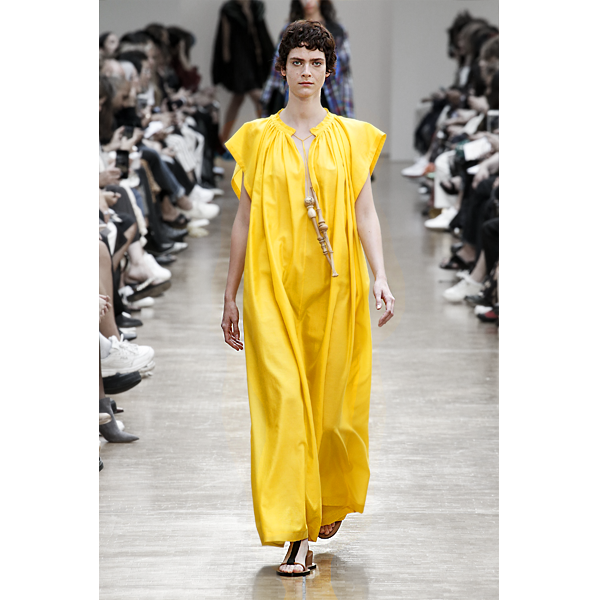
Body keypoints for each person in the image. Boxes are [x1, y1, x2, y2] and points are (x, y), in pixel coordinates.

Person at [221, 20, 394, 576]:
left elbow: (365, 213)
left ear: (329, 71)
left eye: (316, 63)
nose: (306, 72)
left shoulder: (352, 137)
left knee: (333, 414)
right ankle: (297, 531)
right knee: (283, 406)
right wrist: (230, 294)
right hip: (271, 289)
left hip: (335, 290)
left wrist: (381, 275)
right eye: (297, 62)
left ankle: (327, 495)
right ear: (282, 69)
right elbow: (243, 221)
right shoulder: (257, 138)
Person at [261, 0, 355, 117]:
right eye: (297, 62)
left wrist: (348, 116)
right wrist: (266, 103)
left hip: (331, 99)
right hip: (294, 100)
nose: (308, 1)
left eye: (316, 63)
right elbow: (276, 72)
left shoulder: (338, 32)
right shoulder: (289, 32)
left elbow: (345, 76)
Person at [211, 0, 275, 143]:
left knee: (238, 99)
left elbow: (263, 34)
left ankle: (222, 140)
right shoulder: (229, 9)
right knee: (258, 98)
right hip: (239, 62)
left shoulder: (256, 7)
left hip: (255, 61)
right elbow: (224, 39)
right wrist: (227, 66)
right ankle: (268, 138)